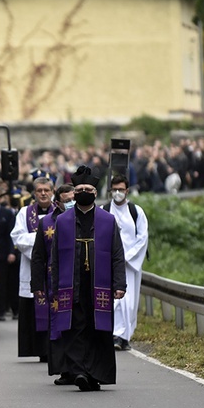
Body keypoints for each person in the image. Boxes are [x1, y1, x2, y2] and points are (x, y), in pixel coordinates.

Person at [47, 166, 126, 391]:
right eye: (79, 188)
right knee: (74, 329)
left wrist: (119, 283)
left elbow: (117, 254)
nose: (84, 191)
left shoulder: (107, 220)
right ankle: (79, 371)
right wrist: (54, 287)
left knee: (98, 330)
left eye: (88, 189)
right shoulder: (62, 221)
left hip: (98, 285)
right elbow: (54, 258)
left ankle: (95, 375)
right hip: (71, 284)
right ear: (74, 193)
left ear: (94, 192)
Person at [30, 183, 75, 383]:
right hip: (55, 283)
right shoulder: (47, 223)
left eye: (73, 199)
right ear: (57, 203)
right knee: (59, 325)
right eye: (67, 201)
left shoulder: (85, 220)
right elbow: (38, 256)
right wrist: (38, 285)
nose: (71, 204)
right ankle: (64, 370)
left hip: (79, 281)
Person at [10, 176, 55, 361]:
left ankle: (52, 348)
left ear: (52, 192)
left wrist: (39, 242)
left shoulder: (60, 212)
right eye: (39, 191)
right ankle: (36, 349)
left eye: (46, 190)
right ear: (34, 193)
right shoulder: (24, 212)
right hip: (31, 268)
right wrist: (41, 249)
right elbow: (18, 238)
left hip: (55, 269)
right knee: (33, 307)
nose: (43, 193)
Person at [103, 173, 148, 351]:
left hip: (130, 265)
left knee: (128, 302)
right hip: (109, 263)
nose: (117, 193)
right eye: (114, 190)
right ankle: (113, 334)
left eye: (121, 190)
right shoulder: (104, 210)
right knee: (113, 300)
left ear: (127, 191)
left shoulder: (136, 212)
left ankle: (124, 336)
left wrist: (126, 257)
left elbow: (142, 238)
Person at [0, 192, 17, 322]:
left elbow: (11, 234)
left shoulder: (7, 213)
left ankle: (13, 310)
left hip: (4, 253)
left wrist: (12, 252)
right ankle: (0, 311)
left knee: (9, 283)